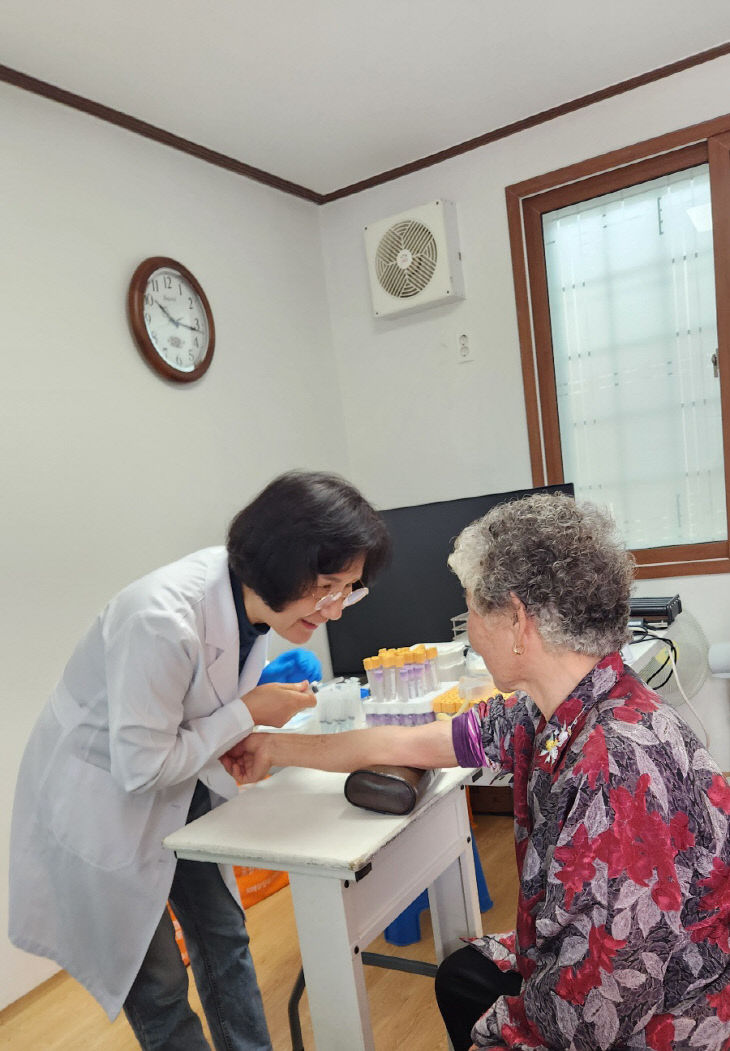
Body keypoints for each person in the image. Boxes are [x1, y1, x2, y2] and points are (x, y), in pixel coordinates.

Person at [224, 493, 730, 1050]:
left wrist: (499, 1030)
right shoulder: (560, 708)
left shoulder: (614, 767)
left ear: (516, 620)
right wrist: (274, 749)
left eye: (470, 612)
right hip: (618, 979)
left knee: (475, 999)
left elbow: (594, 1016)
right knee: (463, 974)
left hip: (672, 1017)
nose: (469, 633)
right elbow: (406, 741)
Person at [9, 469, 390, 1051]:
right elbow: (141, 766)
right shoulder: (161, 618)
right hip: (100, 799)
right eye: (327, 588)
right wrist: (248, 712)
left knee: (224, 938)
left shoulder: (250, 603)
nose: (337, 610)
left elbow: (189, 718)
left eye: (349, 589)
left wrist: (237, 726)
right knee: (158, 980)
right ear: (282, 559)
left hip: (177, 786)